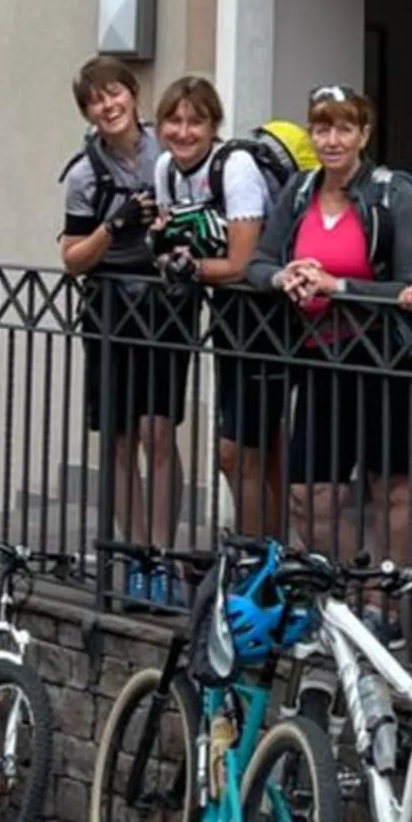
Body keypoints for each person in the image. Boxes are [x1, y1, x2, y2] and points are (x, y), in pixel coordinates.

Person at [245, 85, 412, 601]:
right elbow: (257, 262)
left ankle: (385, 601)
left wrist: (339, 286)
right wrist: (284, 277)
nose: (332, 140)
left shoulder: (391, 194)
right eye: (323, 127)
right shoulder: (301, 192)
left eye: (344, 128)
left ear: (364, 134)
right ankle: (347, 591)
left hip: (387, 359)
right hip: (319, 357)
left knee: (391, 488)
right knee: (310, 494)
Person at [57, 55, 185, 606]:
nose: (108, 106)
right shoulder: (84, 173)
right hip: (109, 308)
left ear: (134, 96)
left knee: (158, 434)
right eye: (96, 100)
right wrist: (113, 227)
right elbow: (72, 257)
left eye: (116, 94)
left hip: (165, 304)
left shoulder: (168, 153)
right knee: (119, 437)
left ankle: (162, 556)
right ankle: (133, 556)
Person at [147, 75, 287, 541]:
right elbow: (169, 247)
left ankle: (256, 565)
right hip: (225, 318)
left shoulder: (237, 167)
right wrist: (176, 259)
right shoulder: (166, 168)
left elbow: (242, 263)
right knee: (260, 454)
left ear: (214, 126)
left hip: (265, 318)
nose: (183, 132)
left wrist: (188, 267)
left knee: (236, 453)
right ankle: (278, 555)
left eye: (196, 121)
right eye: (173, 120)